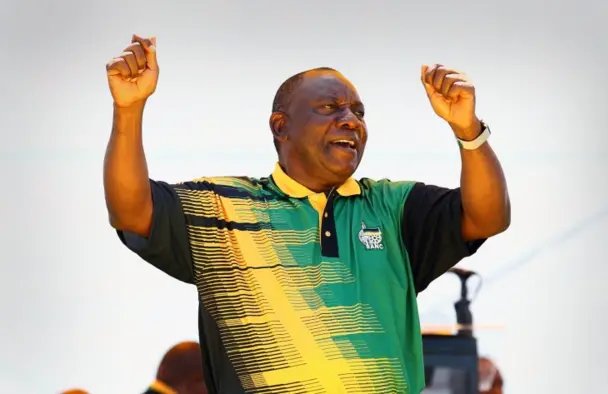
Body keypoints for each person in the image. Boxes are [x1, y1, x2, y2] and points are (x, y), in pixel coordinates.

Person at [103, 34, 510, 394]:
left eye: (359, 112)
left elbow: (488, 216)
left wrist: (469, 132)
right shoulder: (225, 209)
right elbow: (132, 210)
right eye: (330, 107)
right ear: (281, 126)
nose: (350, 120)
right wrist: (129, 109)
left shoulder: (393, 208)